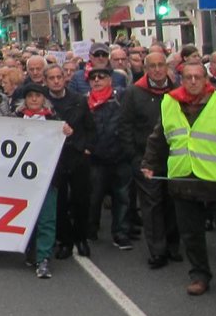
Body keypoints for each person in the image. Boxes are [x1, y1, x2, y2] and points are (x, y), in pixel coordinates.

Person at [141, 62, 216, 298]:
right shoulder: (170, 103)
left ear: (206, 79)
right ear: (181, 79)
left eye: (197, 77)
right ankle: (199, 276)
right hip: (183, 178)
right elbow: (159, 137)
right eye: (188, 77)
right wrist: (149, 164)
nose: (193, 81)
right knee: (191, 234)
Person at [119, 52, 180, 268]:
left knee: (172, 202)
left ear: (167, 67)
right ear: (146, 69)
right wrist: (134, 157)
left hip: (174, 158)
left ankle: (173, 245)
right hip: (145, 159)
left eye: (161, 65)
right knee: (152, 205)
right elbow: (125, 126)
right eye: (152, 66)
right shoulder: (134, 92)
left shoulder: (176, 90)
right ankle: (158, 251)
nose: (157, 69)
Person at [16, 82, 74, 279]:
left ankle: (43, 258)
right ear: (25, 99)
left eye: (38, 96)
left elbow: (64, 146)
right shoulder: (15, 119)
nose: (34, 99)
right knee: (25, 217)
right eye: (30, 96)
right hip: (21, 179)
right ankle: (31, 249)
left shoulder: (54, 120)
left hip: (47, 177)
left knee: (47, 218)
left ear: (44, 99)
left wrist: (67, 134)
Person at [45, 65, 94, 260]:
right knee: (59, 201)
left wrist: (87, 147)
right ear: (46, 81)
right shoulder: (43, 101)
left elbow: (90, 127)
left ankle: (81, 238)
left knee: (81, 200)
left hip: (77, 155)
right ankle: (65, 240)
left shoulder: (79, 100)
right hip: (55, 157)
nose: (56, 81)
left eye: (59, 77)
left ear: (65, 78)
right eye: (52, 78)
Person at [85, 66, 133, 251]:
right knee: (94, 197)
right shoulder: (84, 101)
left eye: (101, 77)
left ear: (110, 80)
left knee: (122, 198)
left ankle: (121, 233)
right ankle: (91, 228)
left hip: (120, 157)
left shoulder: (120, 97)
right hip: (96, 159)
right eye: (93, 78)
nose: (97, 80)